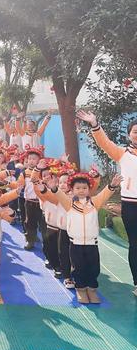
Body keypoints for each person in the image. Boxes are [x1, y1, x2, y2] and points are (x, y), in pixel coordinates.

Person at [77, 110, 137, 297]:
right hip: (131, 205)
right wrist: (95, 124)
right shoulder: (122, 153)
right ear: (129, 134)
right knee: (135, 245)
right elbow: (104, 143)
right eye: (135, 131)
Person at [51, 172, 122, 304]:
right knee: (79, 268)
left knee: (93, 268)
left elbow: (104, 194)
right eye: (77, 188)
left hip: (92, 244)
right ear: (72, 190)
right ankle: (81, 289)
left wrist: (112, 185)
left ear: (89, 189)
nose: (81, 191)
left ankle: (92, 290)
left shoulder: (94, 203)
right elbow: (59, 195)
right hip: (75, 244)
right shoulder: (69, 204)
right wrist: (54, 188)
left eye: (84, 188)